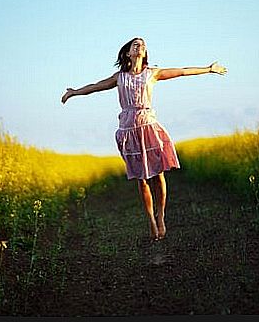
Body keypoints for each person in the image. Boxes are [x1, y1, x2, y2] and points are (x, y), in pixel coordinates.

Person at [61, 37, 227, 241]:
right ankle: (150, 218)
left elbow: (182, 71)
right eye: (136, 45)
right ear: (128, 53)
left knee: (158, 175)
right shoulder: (119, 77)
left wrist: (208, 69)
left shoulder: (152, 73)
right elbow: (96, 86)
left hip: (149, 126)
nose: (140, 47)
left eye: (143, 45)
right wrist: (74, 92)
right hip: (129, 129)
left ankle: (161, 215)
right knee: (141, 179)